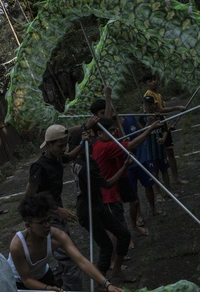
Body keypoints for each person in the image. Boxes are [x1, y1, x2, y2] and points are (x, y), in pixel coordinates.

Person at [25, 124, 85, 292]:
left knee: (63, 261)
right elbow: (30, 199)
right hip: (46, 220)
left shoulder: (58, 158)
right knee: (71, 263)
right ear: (48, 145)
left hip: (57, 217)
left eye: (65, 145)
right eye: (60, 145)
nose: (63, 149)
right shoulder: (39, 167)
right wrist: (58, 210)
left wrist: (83, 142)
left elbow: (71, 155)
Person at [91, 117, 160, 268]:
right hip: (109, 192)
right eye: (109, 132)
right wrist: (149, 130)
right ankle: (112, 261)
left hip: (115, 184)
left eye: (113, 131)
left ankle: (118, 252)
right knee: (117, 228)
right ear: (99, 134)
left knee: (130, 208)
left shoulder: (101, 143)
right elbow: (133, 144)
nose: (113, 133)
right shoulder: (106, 147)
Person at [69, 130, 137, 282]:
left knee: (124, 234)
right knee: (106, 246)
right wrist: (124, 167)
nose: (94, 147)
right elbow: (107, 184)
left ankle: (117, 271)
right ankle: (101, 281)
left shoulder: (77, 160)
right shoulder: (87, 166)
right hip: (88, 210)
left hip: (97, 205)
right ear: (81, 147)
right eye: (91, 144)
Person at [142, 73, 188, 185]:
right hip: (155, 128)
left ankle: (176, 178)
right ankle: (161, 186)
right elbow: (159, 111)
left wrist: (168, 126)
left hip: (163, 126)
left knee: (170, 152)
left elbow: (161, 112)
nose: (153, 82)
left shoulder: (158, 94)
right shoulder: (148, 95)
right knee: (157, 157)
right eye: (149, 81)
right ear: (145, 84)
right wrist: (176, 108)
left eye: (154, 80)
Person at [142, 96, 176, 204]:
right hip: (150, 151)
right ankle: (158, 194)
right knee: (155, 173)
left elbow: (165, 129)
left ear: (154, 105)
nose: (147, 106)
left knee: (165, 170)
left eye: (149, 104)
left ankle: (169, 190)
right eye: (145, 104)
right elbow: (141, 133)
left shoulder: (159, 116)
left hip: (160, 149)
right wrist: (148, 123)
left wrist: (164, 138)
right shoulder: (141, 118)